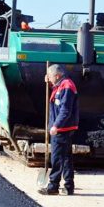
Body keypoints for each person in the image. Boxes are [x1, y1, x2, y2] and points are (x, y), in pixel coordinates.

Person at [39, 64, 79, 196]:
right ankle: (68, 187)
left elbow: (65, 110)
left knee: (57, 158)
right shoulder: (61, 85)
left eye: (50, 77)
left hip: (63, 128)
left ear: (57, 75)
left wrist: (56, 125)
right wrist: (49, 83)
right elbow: (57, 97)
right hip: (64, 127)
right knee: (66, 157)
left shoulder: (66, 86)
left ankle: (53, 186)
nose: (49, 79)